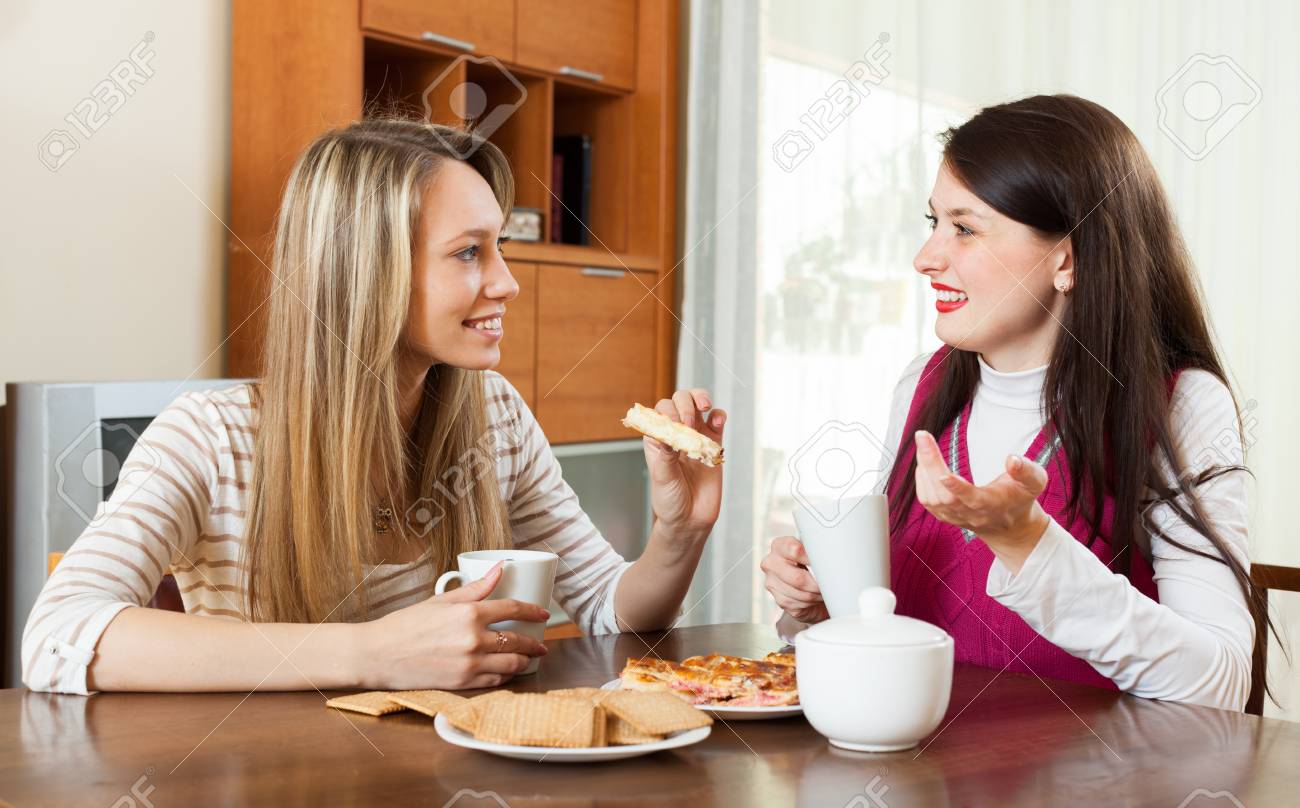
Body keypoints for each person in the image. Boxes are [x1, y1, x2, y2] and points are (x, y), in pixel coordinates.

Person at [24, 120, 726, 695]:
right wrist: (368, 654)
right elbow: (57, 635)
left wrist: (678, 533)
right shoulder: (212, 438)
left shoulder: (496, 417)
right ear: (367, 272)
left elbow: (613, 613)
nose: (508, 282)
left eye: (500, 248)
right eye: (469, 253)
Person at [762, 95, 1268, 711]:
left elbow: (1217, 685)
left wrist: (1028, 542)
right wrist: (827, 606)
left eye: (966, 229)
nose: (926, 258)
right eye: (934, 223)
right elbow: (902, 633)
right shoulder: (922, 384)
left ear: (1067, 258)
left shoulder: (1180, 404)